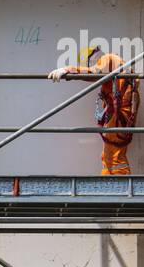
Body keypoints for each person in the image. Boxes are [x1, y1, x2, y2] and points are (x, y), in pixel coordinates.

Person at [48, 45, 139, 176]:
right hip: (120, 114)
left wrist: (69, 70)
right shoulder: (115, 63)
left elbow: (95, 72)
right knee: (110, 154)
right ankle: (110, 181)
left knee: (114, 155)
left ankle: (117, 185)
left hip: (119, 114)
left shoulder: (109, 59)